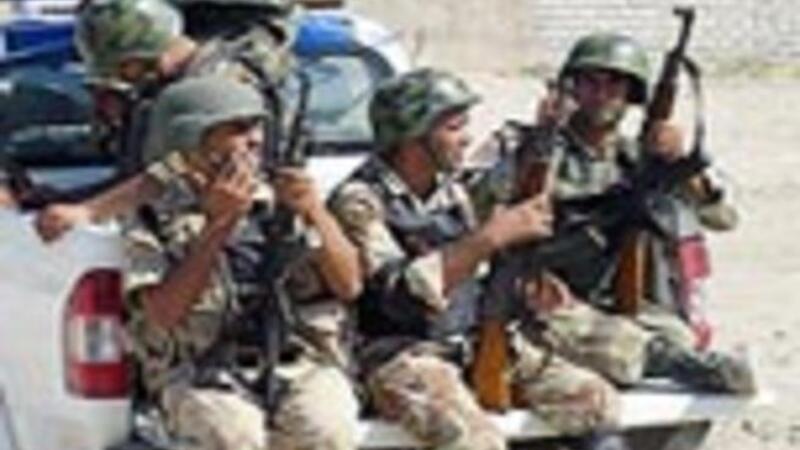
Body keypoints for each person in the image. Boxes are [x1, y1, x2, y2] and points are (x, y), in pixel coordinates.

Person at [329, 68, 625, 450]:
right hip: (400, 356)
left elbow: (487, 261)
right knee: (474, 440)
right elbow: (395, 294)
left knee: (594, 401)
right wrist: (489, 238)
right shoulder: (359, 200)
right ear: (413, 136)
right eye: (454, 128)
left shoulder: (451, 193)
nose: (467, 138)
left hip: (468, 340)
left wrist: (527, 280)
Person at [477, 33, 754, 395]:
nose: (601, 93)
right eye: (590, 82)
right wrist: (536, 146)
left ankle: (676, 361)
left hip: (610, 295)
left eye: (614, 84)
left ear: (632, 94)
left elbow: (724, 217)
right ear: (571, 88)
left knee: (676, 335)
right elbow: (474, 202)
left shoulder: (635, 157)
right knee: (607, 341)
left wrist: (683, 166)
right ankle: (688, 368)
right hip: (539, 295)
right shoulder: (521, 142)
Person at [126, 75, 361, 450]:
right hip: (199, 372)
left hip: (296, 363)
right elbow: (164, 314)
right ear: (192, 138)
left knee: (328, 430)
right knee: (233, 436)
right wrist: (218, 225)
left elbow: (349, 285)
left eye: (257, 128)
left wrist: (315, 212)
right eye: (237, 129)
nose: (254, 140)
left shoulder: (281, 203)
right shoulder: (152, 217)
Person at [35, 0, 297, 241]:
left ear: (146, 52)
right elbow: (141, 172)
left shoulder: (216, 83)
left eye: (124, 65)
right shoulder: (164, 89)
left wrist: (91, 210)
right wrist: (66, 199)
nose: (121, 75)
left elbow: (178, 168)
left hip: (232, 237)